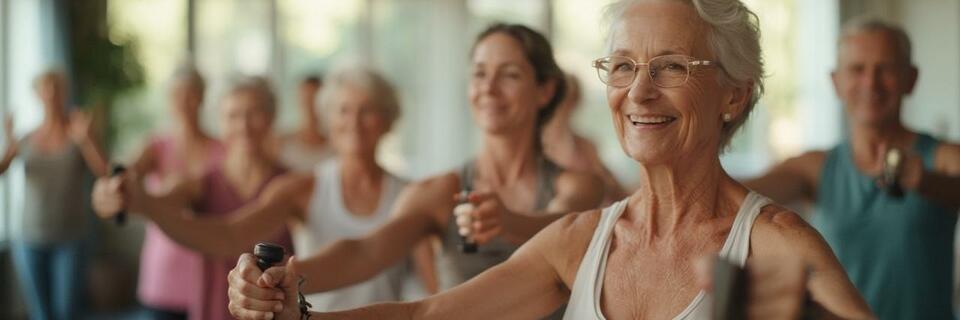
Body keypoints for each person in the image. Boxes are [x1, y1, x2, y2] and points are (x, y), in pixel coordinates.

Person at [225, 1, 876, 319]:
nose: (639, 91)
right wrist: (299, 313)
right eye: (622, 67)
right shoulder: (582, 240)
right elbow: (428, 315)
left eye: (671, 66)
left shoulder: (778, 244)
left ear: (734, 93)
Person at [223, 23, 607, 319]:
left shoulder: (578, 185)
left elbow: (566, 226)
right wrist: (277, 279)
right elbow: (364, 252)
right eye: (478, 73)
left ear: (544, 90)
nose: (488, 87)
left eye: (509, 74)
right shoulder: (439, 192)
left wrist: (510, 222)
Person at [94, 67, 413, 312]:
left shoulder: (295, 185)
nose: (244, 125)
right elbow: (221, 229)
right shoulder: (212, 181)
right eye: (234, 115)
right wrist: (135, 201)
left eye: (254, 114)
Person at [746, 17, 960, 319]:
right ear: (836, 82)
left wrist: (925, 180)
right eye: (857, 69)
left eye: (885, 69)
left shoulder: (942, 157)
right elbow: (739, 191)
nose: (870, 83)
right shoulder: (814, 167)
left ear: (910, 79)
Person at [0, 70, 108, 320]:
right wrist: (8, 141)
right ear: (37, 94)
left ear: (64, 92)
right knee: (41, 314)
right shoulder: (25, 139)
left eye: (56, 86)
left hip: (71, 239)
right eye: (45, 87)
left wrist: (87, 140)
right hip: (29, 238)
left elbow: (105, 172)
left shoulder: (78, 134)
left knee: (66, 312)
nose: (51, 93)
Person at [127, 64, 225, 320]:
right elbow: (127, 174)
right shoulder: (156, 146)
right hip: (162, 274)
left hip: (209, 272)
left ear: (202, 97)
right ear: (169, 100)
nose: (184, 101)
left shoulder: (222, 150)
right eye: (177, 94)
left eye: (191, 93)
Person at [542, 73, 629, 203]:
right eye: (563, 100)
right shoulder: (535, 146)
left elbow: (613, 188)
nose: (566, 106)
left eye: (572, 100)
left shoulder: (585, 145)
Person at [275, 75, 332, 172]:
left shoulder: (335, 146)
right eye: (305, 98)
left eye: (313, 98)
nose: (308, 104)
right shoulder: (280, 143)